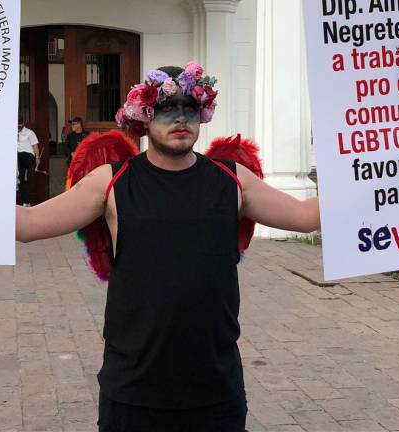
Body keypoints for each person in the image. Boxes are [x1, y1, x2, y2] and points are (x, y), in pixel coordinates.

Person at [16, 62, 321, 431]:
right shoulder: (112, 182)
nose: (180, 118)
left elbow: (306, 216)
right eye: (166, 108)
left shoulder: (231, 179)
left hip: (214, 390)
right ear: (143, 116)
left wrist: (384, 178)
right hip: (133, 391)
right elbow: (29, 225)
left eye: (189, 109)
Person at [17, 117, 40, 206]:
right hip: (19, 159)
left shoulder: (30, 133)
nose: (17, 127)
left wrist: (38, 158)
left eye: (19, 125)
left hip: (28, 156)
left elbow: (35, 146)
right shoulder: (13, 132)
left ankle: (17, 176)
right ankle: (26, 202)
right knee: (22, 180)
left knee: (19, 154)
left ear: (23, 124)